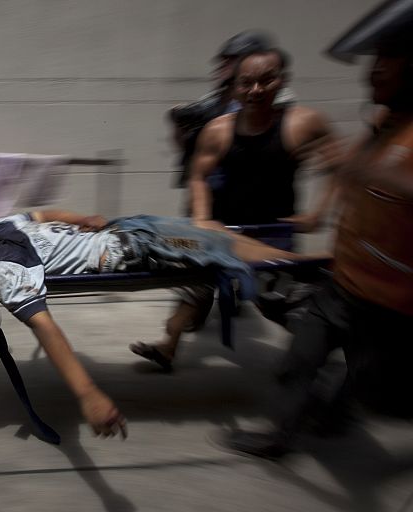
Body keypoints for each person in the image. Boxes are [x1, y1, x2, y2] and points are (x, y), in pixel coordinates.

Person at [0, 210, 321, 438]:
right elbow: (46, 328)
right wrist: (88, 393)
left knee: (213, 229)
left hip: (126, 229)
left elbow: (39, 213)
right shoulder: (0, 269)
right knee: (218, 242)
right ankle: (308, 268)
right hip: (135, 249)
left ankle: (172, 343)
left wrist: (81, 217)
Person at [224, 0, 413, 459]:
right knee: (299, 360)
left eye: (387, 62)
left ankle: (334, 413)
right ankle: (279, 436)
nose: (373, 71)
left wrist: (359, 171)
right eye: (374, 60)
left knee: (379, 392)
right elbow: (350, 177)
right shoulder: (385, 125)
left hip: (393, 302)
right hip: (346, 282)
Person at [132, 47, 341, 371]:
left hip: (270, 236)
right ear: (236, 87)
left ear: (281, 81)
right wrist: (202, 218)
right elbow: (198, 176)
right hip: (223, 232)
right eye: (247, 83)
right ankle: (168, 346)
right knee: (192, 286)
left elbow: (339, 165)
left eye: (266, 81)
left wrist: (319, 214)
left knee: (283, 302)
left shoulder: (303, 123)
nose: (255, 90)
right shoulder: (218, 130)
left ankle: (322, 365)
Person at [169, 30, 295, 190]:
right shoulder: (213, 100)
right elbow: (190, 146)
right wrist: (179, 126)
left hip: (254, 190)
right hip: (211, 191)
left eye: (229, 60)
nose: (222, 66)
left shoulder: (275, 96)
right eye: (223, 61)